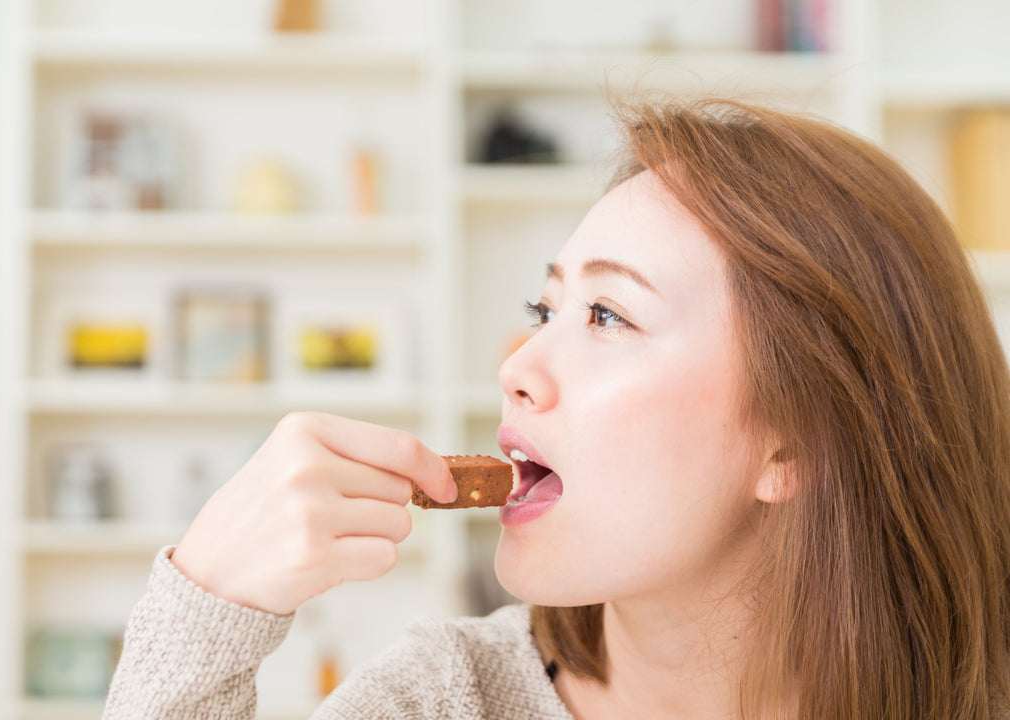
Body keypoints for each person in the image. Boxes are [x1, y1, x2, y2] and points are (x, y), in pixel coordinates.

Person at [103, 98, 1010, 720]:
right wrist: (206, 610)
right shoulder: (445, 698)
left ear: (796, 440)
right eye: (545, 309)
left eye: (608, 315)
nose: (519, 366)